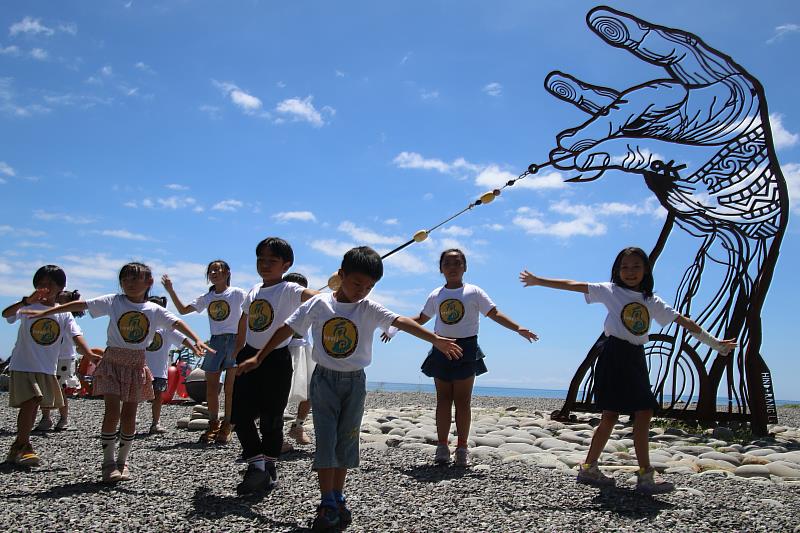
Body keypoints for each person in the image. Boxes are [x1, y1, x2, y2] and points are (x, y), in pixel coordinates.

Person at [238, 246, 463, 531]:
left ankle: (338, 496)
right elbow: (286, 327)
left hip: (355, 383)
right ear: (341, 275)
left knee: (345, 442)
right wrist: (259, 355)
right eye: (357, 283)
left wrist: (436, 339)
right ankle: (326, 502)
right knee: (326, 442)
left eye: (369, 286)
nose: (362, 291)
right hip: (324, 381)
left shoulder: (367, 307)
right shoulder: (320, 305)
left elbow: (401, 321)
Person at [520, 247, 737, 494]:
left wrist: (716, 344)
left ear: (645, 270)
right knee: (617, 415)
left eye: (636, 266)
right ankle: (616, 472)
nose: (630, 272)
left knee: (642, 412)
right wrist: (539, 281)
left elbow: (684, 322)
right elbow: (575, 284)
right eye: (625, 267)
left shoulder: (651, 301)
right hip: (614, 355)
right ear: (617, 270)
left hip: (635, 357)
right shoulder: (611, 291)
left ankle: (617, 471)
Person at [23, 262, 212, 483]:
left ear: (148, 282)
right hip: (112, 362)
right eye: (125, 279)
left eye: (135, 278)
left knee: (130, 415)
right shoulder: (114, 302)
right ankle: (108, 462)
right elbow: (80, 304)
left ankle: (123, 461)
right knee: (112, 412)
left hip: (136, 365)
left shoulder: (154, 310)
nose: (130, 283)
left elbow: (177, 323)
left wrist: (197, 339)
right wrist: (48, 310)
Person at [383, 248, 538, 466]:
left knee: (463, 401)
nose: (452, 267)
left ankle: (462, 447)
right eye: (447, 263)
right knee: (443, 400)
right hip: (441, 347)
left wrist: (518, 328)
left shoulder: (474, 292)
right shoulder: (436, 294)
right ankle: (442, 446)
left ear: (465, 267)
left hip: (466, 348)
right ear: (441, 269)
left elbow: (494, 313)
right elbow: (422, 317)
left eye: (457, 263)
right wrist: (395, 327)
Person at [229, 238, 318, 495]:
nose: (265, 265)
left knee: (272, 418)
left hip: (277, 359)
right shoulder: (254, 290)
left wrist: (328, 297)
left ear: (286, 264)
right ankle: (257, 467)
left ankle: (267, 470)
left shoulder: (289, 289)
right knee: (240, 416)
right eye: (261, 260)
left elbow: (314, 296)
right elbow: (244, 320)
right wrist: (237, 349)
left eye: (272, 261)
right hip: (248, 355)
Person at [2, 266, 101, 466]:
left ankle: (18, 446)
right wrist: (25, 301)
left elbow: (76, 336)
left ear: (60, 288)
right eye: (41, 284)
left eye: (50, 284)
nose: (44, 288)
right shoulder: (29, 308)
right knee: (32, 401)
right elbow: (6, 314)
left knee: (34, 405)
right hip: (23, 365)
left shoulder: (64, 314)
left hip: (46, 368)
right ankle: (25, 445)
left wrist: (89, 353)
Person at [162, 260, 247, 444]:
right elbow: (183, 310)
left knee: (231, 388)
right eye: (211, 270)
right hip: (215, 342)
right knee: (211, 388)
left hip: (234, 340)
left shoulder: (237, 293)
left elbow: (251, 309)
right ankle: (213, 423)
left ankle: (228, 424)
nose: (214, 273)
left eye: (218, 269)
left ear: (227, 272)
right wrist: (170, 290)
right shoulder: (207, 297)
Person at [145, 296, 201, 435]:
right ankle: (127, 423)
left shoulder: (166, 329)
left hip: (159, 371)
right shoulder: (141, 325)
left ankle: (155, 423)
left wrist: (195, 348)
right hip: (140, 368)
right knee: (133, 398)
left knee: (158, 398)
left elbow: (183, 339)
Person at [36, 290, 86, 432]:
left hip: (64, 358)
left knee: (61, 390)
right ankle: (47, 418)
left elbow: (76, 337)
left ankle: (63, 418)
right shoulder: (50, 318)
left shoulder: (69, 320)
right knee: (45, 388)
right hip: (50, 356)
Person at [283, 272, 315, 450]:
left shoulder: (310, 305)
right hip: (283, 350)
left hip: (304, 349)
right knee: (280, 393)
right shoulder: (280, 305)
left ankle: (298, 426)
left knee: (310, 392)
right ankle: (276, 435)